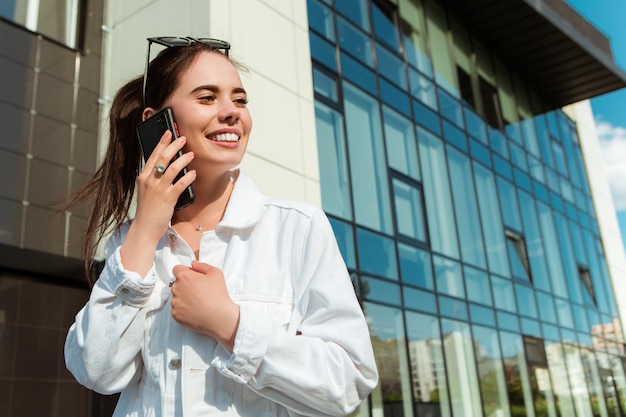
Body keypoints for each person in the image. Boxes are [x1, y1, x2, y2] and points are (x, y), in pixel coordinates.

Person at [63, 36, 378, 416]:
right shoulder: (129, 242)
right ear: (156, 122)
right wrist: (145, 232)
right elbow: (95, 371)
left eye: (240, 99)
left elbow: (349, 381)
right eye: (207, 97)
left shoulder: (297, 229)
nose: (232, 112)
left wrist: (231, 325)